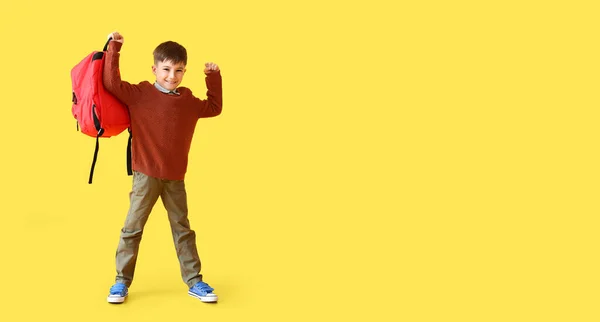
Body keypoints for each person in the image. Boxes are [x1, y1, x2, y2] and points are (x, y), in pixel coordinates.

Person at [102, 31, 222, 304]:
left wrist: (212, 77)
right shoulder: (140, 94)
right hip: (145, 175)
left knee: (183, 230)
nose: (172, 76)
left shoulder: (188, 101)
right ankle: (121, 281)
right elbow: (111, 82)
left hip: (175, 178)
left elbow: (214, 107)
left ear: (184, 71)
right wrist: (114, 47)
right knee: (132, 228)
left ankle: (195, 281)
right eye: (166, 69)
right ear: (155, 69)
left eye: (178, 70)